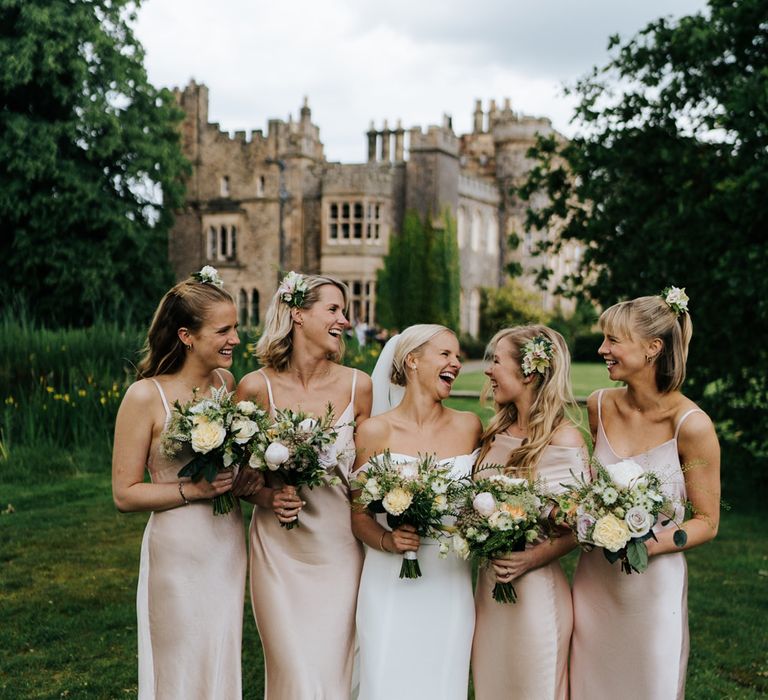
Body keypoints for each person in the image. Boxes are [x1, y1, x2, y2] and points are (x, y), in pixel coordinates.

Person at [112, 267, 260, 699]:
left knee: (219, 651)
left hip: (227, 541)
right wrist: (190, 491)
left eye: (235, 327)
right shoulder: (145, 396)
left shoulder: (225, 385)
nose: (235, 338)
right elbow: (124, 493)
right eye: (224, 330)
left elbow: (229, 463)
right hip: (178, 549)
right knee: (179, 658)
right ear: (186, 335)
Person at [569, 289, 721, 699]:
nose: (602, 349)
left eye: (613, 341)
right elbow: (589, 486)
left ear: (653, 348)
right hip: (594, 583)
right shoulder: (599, 405)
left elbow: (707, 522)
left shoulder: (691, 425)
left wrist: (645, 544)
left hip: (652, 590)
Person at [236, 272, 372, 700]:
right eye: (333, 309)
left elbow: (368, 477)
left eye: (344, 312)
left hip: (340, 548)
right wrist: (269, 495)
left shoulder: (358, 386)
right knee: (292, 670)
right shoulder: (255, 387)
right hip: (279, 551)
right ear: (297, 314)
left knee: (333, 672)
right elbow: (237, 477)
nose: (345, 321)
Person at [351, 324, 482, 700]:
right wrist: (388, 540)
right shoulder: (375, 431)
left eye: (458, 357)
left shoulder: (469, 426)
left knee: (443, 682)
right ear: (412, 360)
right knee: (386, 682)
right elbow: (358, 515)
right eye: (446, 354)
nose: (456, 363)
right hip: (389, 578)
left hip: (449, 580)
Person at [470, 325, 587, 700]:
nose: (489, 370)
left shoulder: (563, 439)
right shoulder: (494, 432)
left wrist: (531, 557)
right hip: (489, 590)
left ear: (529, 372)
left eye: (497, 361)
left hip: (534, 591)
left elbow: (579, 524)